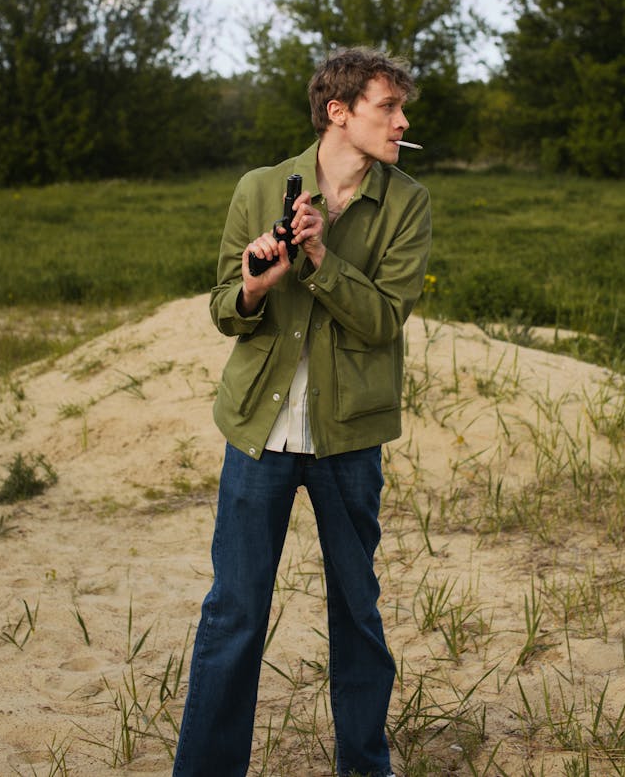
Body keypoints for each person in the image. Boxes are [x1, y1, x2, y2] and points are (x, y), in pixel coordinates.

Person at [172, 46, 432, 777]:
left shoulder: (407, 201)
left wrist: (321, 262)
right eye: (389, 107)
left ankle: (364, 767)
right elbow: (227, 308)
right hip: (259, 433)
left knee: (357, 614)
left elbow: (383, 319)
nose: (403, 121)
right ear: (338, 111)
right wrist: (259, 283)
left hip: (349, 439)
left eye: (402, 109)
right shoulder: (259, 187)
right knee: (235, 614)